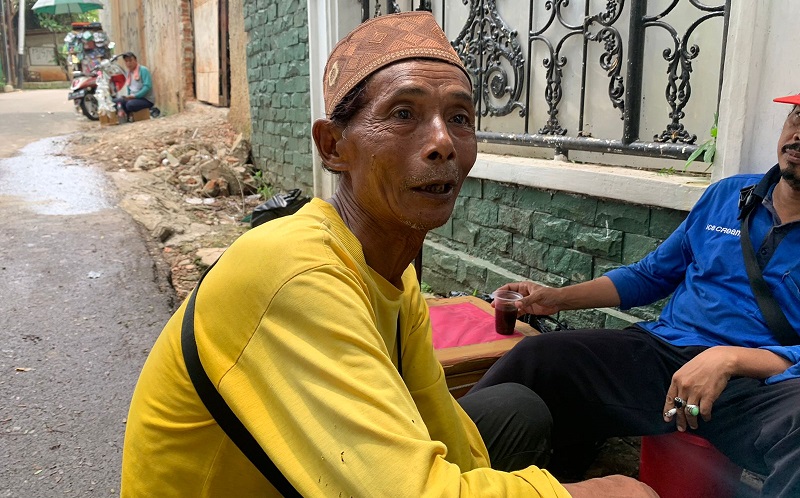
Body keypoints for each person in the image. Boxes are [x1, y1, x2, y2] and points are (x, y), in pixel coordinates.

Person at [120, 11, 656, 498]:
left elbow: (434, 418)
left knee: (516, 410)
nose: (443, 142)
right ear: (333, 147)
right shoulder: (292, 271)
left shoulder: (396, 279)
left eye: (461, 117)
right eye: (404, 114)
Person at [472, 93, 800, 497]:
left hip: (759, 387)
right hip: (663, 356)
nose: (797, 135)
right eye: (796, 117)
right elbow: (650, 275)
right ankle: (441, 477)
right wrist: (556, 298)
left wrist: (730, 359)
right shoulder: (728, 195)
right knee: (537, 359)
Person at [114, 51, 154, 119]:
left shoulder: (143, 70)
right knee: (117, 101)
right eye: (126, 61)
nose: (128, 63)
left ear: (135, 60)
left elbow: (147, 87)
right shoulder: (128, 73)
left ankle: (131, 115)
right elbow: (129, 88)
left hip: (145, 99)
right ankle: (128, 116)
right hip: (133, 98)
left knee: (130, 105)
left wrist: (135, 96)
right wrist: (128, 97)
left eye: (130, 60)